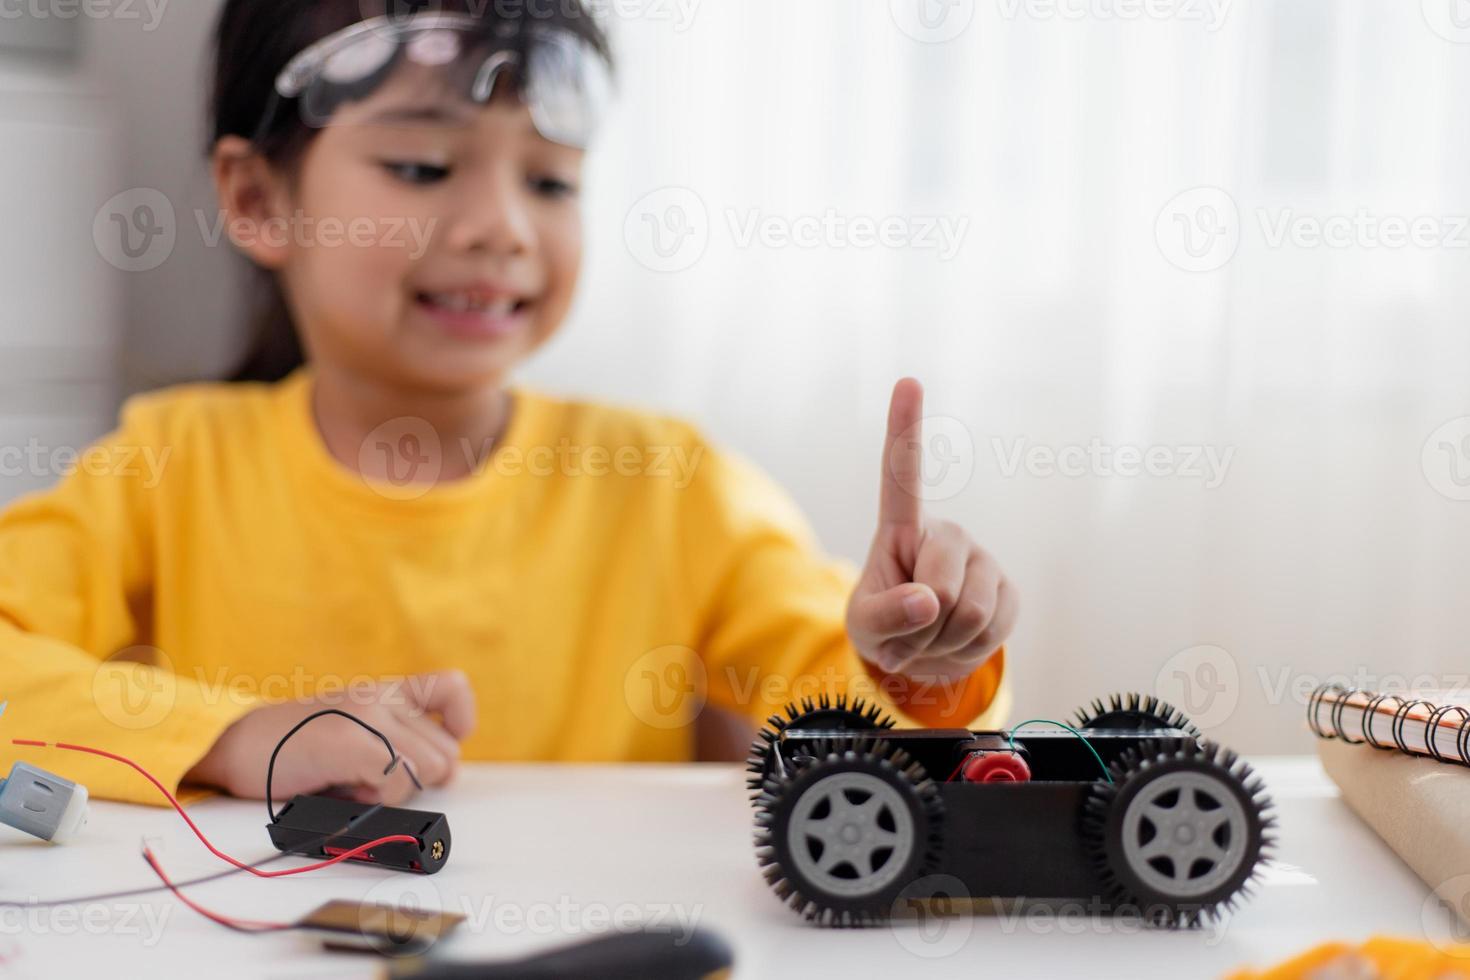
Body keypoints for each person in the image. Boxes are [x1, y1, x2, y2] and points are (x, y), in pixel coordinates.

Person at [0, 0, 1016, 807]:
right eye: (423, 166)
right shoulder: (173, 464)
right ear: (259, 199)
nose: (503, 226)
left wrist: (921, 666)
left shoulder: (667, 484)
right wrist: (231, 735)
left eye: (552, 180)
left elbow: (880, 752)